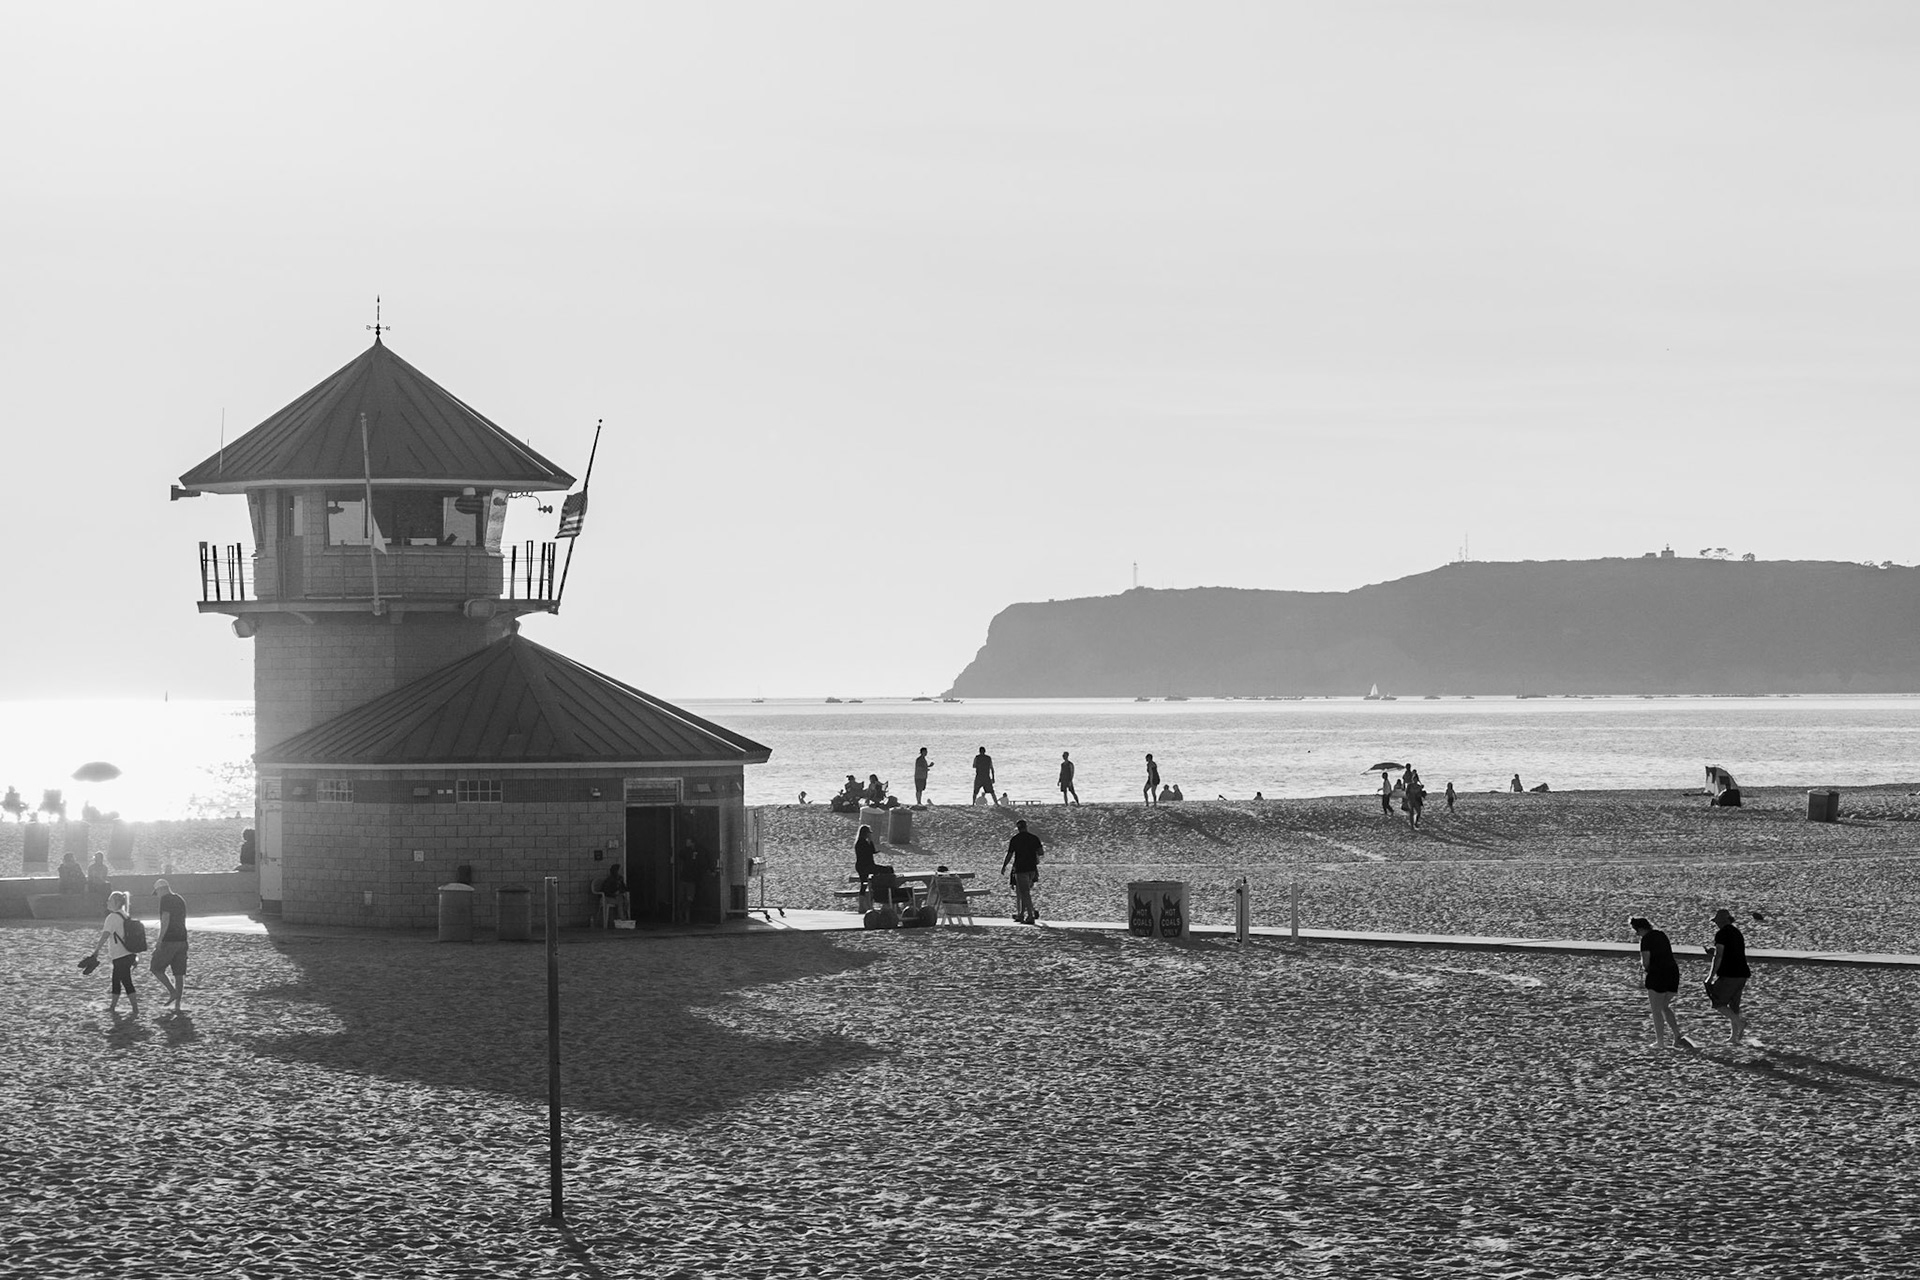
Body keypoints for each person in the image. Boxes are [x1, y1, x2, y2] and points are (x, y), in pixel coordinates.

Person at [1628, 916, 1686, 1048]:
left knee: (1656, 1010)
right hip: (1672, 973)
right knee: (1664, 1007)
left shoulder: (1646, 940)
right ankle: (1677, 1035)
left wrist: (1644, 969)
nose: (1636, 933)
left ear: (1641, 928)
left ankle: (1660, 1041)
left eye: (1636, 930)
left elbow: (1646, 961)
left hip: (1658, 975)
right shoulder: (1661, 934)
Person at [87, 890, 140, 1016]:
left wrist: (96, 951)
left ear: (116, 902)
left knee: (125, 981)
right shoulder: (125, 915)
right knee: (116, 979)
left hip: (120, 954)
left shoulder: (112, 917)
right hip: (129, 953)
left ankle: (135, 1008)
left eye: (109, 900)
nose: (107, 902)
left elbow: (105, 935)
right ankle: (113, 1006)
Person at [1706, 907, 1751, 1045]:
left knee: (1718, 1002)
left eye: (1717, 922)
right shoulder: (1737, 933)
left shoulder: (1721, 934)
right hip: (1742, 973)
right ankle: (1734, 1037)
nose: (1716, 924)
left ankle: (1740, 1023)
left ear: (1720, 922)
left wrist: (1710, 976)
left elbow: (1718, 955)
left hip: (1730, 974)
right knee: (1734, 1006)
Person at [150, 878, 188, 1013]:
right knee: (179, 972)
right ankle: (178, 1004)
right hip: (182, 938)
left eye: (157, 892)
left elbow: (165, 920)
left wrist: (159, 940)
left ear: (161, 889)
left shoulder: (165, 900)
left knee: (155, 968)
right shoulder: (180, 899)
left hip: (169, 939)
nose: (158, 896)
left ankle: (172, 992)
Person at [1001, 818, 1044, 924]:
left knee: (1024, 893)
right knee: (1024, 892)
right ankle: (1021, 914)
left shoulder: (1015, 839)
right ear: (1026, 827)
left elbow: (1010, 854)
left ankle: (1030, 916)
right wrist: (1032, 853)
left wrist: (1004, 866)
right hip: (1032, 868)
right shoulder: (1034, 838)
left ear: (1018, 828)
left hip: (1021, 869)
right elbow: (1041, 852)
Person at [674, 838, 704, 924]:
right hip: (684, 879)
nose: (686, 843)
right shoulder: (685, 852)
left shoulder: (698, 852)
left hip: (691, 880)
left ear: (692, 843)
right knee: (682, 899)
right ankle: (682, 916)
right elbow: (680, 855)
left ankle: (686, 917)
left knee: (689, 899)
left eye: (688, 842)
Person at [598, 861, 629, 927]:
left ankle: (623, 917)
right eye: (619, 870)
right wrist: (614, 894)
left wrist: (620, 890)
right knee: (620, 900)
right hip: (608, 898)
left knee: (623, 899)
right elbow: (605, 891)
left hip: (617, 897)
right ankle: (622, 919)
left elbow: (625, 889)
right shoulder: (609, 880)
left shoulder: (620, 879)